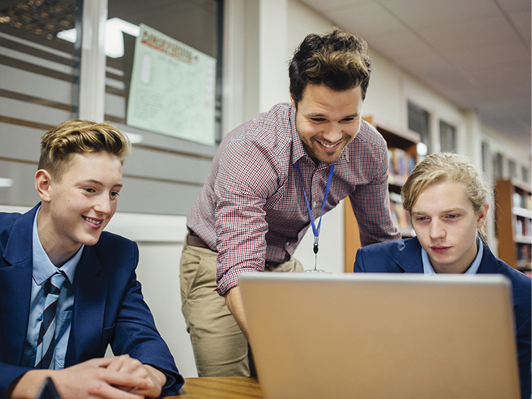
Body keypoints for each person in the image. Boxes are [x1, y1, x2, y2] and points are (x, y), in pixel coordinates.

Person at [181, 28, 400, 377]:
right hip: (216, 259)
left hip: (280, 262)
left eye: (348, 119)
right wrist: (279, 350)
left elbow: (381, 241)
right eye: (317, 119)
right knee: (231, 383)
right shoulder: (253, 150)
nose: (332, 136)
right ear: (293, 99)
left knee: (308, 370)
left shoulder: (369, 149)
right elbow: (239, 268)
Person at [0, 120, 184, 399]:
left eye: (114, 193)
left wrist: (148, 374)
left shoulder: (117, 257)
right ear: (45, 185)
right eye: (90, 189)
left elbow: (146, 344)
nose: (105, 208)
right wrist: (46, 384)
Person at [353, 152, 532, 398]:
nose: (435, 233)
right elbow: (361, 363)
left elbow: (513, 391)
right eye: (422, 219)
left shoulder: (521, 295)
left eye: (451, 217)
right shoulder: (374, 264)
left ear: (481, 215)